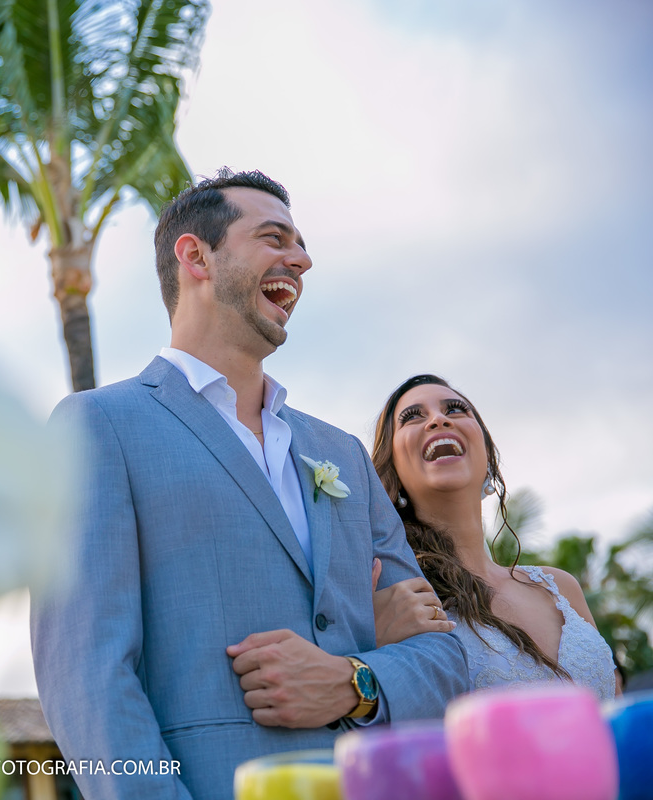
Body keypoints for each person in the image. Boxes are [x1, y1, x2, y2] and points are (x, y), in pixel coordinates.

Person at [30, 169, 469, 800]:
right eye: (275, 237)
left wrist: (355, 680)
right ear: (196, 256)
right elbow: (86, 680)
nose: (303, 259)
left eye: (302, 244)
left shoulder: (338, 452)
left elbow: (444, 659)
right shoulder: (97, 428)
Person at [370, 373, 619, 701]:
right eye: (412, 417)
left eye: (456, 409)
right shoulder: (397, 591)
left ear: (488, 454)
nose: (438, 420)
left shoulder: (560, 588)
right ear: (393, 472)